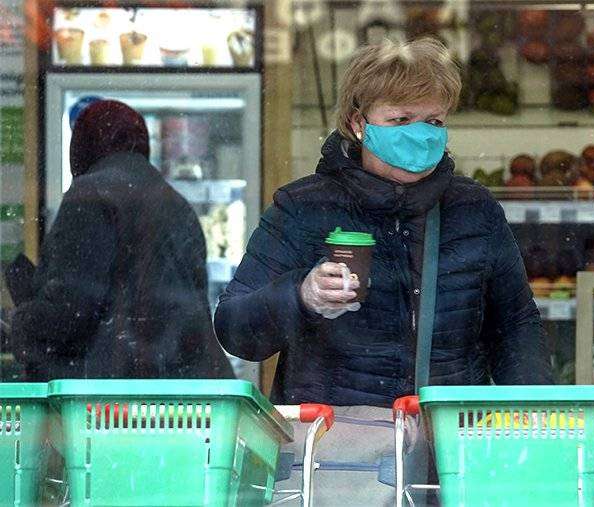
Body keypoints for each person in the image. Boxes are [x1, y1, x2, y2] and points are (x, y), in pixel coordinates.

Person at [215, 38, 551, 407]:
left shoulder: (475, 209)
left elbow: (516, 325)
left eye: (434, 121)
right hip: (334, 436)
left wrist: (530, 412)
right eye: (401, 119)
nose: (420, 135)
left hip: (445, 431)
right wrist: (301, 295)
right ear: (358, 123)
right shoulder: (303, 207)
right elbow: (235, 330)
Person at [11, 99, 233, 380]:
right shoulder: (177, 204)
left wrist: (22, 321)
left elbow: (71, 310)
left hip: (113, 391)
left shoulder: (90, 195)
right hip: (181, 385)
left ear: (82, 147)